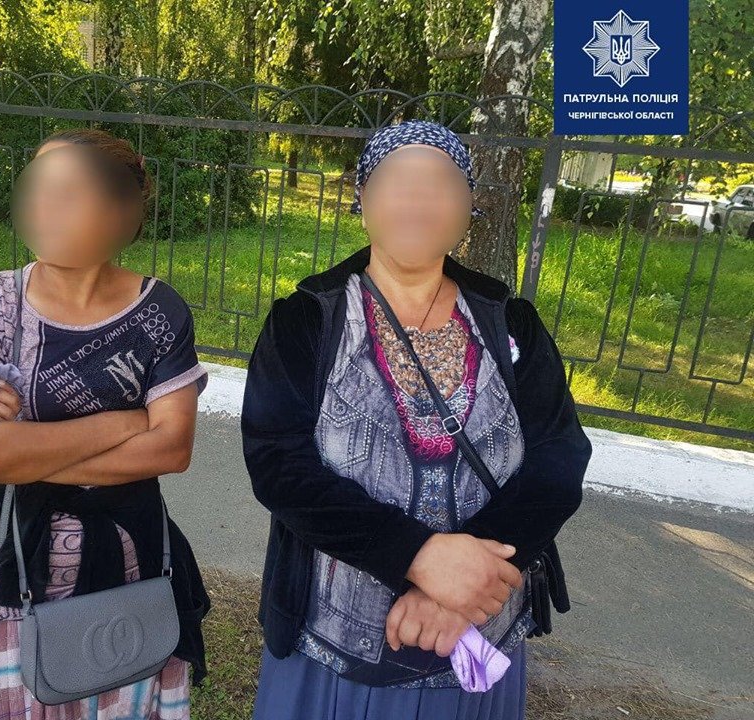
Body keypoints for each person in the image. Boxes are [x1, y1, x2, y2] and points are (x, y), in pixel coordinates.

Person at [242, 121, 592, 720]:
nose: (418, 200)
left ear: (468, 206)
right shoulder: (306, 320)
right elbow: (279, 466)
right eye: (398, 182)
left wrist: (462, 589)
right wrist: (420, 557)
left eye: (440, 184)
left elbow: (558, 457)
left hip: (475, 627)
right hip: (336, 644)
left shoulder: (510, 321)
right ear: (362, 198)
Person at [0, 129, 211, 720]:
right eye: (37, 188)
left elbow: (171, 449)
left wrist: (21, 448)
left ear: (120, 210)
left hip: (128, 565)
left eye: (68, 191)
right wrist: (126, 422)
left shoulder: (160, 311)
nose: (43, 206)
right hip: (4, 571)